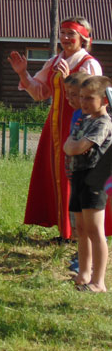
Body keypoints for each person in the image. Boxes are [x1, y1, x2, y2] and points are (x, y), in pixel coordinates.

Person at [7, 16, 112, 240]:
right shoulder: (55, 61)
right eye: (62, 33)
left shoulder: (89, 64)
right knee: (56, 176)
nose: (65, 38)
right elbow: (40, 93)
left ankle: (78, 235)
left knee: (74, 177)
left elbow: (92, 101)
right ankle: (65, 231)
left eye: (71, 34)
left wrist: (68, 81)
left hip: (79, 127)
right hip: (55, 126)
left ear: (83, 38)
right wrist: (23, 73)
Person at [63, 75, 112, 292]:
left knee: (95, 230)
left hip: (95, 178)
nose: (83, 102)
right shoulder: (83, 119)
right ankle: (84, 274)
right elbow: (67, 145)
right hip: (78, 176)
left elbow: (77, 146)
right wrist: (72, 146)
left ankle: (99, 282)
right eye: (81, 97)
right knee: (81, 229)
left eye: (89, 98)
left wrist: (72, 146)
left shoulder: (103, 123)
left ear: (104, 100)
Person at [63, 71, 90, 273]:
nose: (69, 99)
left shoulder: (93, 119)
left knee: (87, 221)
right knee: (77, 219)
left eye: (75, 95)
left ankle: (86, 259)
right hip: (75, 172)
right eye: (68, 94)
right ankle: (80, 254)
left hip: (88, 175)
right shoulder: (76, 115)